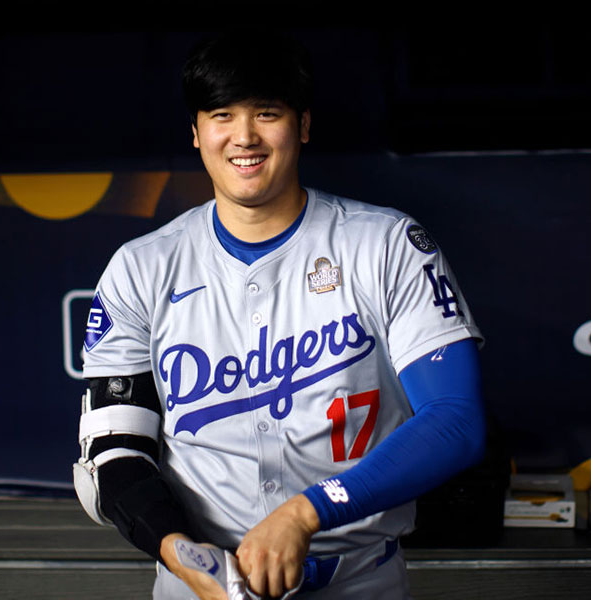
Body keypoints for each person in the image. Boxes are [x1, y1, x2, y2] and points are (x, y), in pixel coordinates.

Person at [74, 30, 485, 600]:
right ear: (196, 133)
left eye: (267, 113)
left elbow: (454, 421)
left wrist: (305, 513)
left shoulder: (386, 245)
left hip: (359, 580)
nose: (244, 137)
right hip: (199, 585)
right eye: (222, 115)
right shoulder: (141, 268)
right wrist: (181, 554)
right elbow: (116, 455)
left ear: (304, 126)